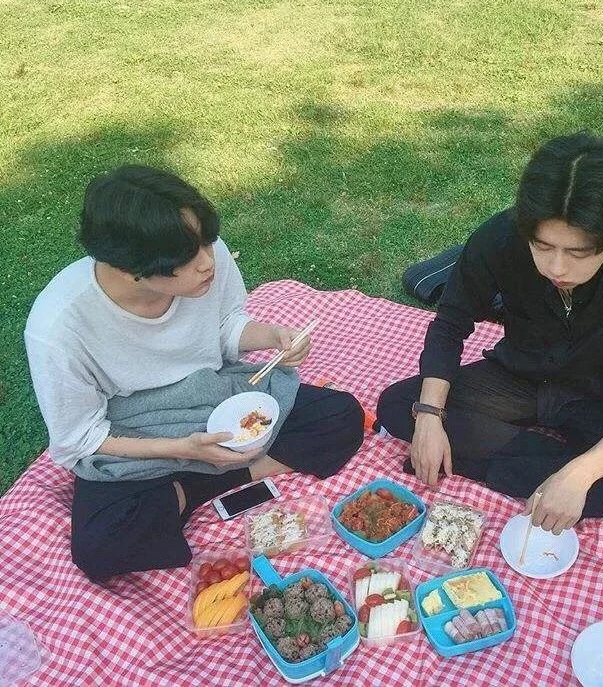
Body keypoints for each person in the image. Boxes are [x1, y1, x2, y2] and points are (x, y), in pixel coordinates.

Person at [25, 165, 364, 581]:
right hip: (132, 425)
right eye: (188, 257)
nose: (208, 262)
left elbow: (223, 327)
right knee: (101, 547)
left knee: (340, 416)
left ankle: (190, 489)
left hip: (211, 392)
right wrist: (184, 449)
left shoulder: (207, 256)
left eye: (206, 242)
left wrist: (274, 336)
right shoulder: (59, 326)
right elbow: (79, 437)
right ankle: (204, 481)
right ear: (131, 269)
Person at [377, 132, 603, 533]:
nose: (557, 268)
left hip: (602, 396)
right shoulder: (500, 237)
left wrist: (581, 474)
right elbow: (450, 324)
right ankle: (548, 473)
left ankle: (545, 473)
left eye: (578, 253)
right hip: (520, 378)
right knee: (400, 404)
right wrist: (428, 417)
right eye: (542, 246)